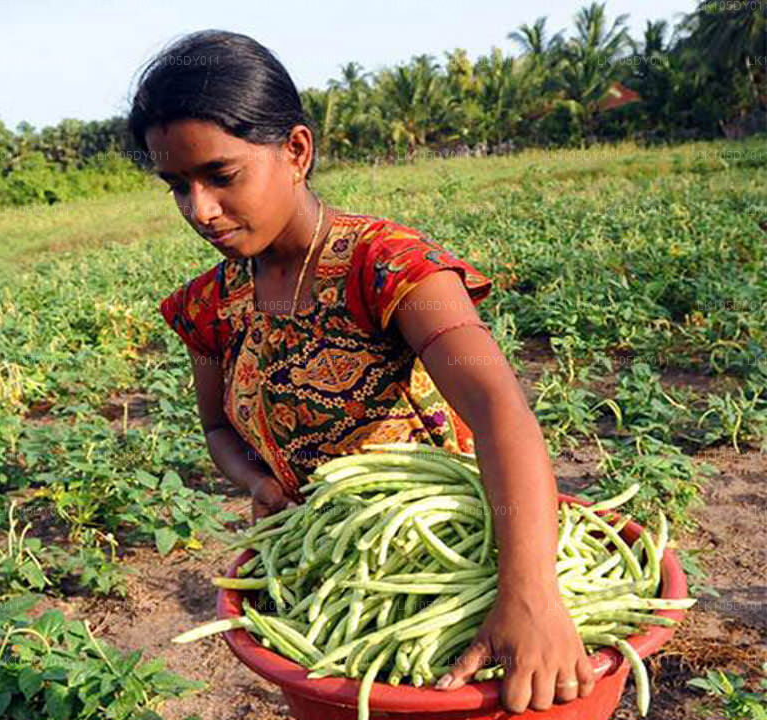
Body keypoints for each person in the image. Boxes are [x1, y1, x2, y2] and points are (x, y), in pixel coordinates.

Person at [129, 30, 595, 715]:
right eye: (179, 186)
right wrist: (258, 482)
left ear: (296, 151)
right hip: (336, 577)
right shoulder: (208, 306)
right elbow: (216, 428)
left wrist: (529, 598)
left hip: (467, 557)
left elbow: (500, 410)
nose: (200, 209)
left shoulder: (388, 266)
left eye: (221, 176)